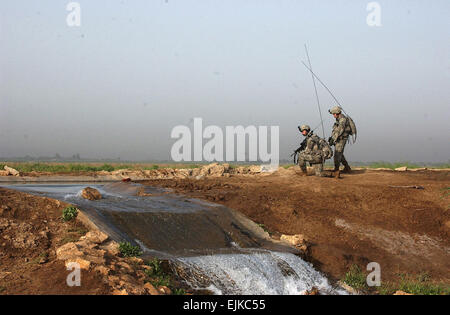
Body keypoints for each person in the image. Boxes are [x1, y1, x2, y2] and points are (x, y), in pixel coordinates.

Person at [328, 106, 352, 174]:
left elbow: (340, 130)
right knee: (340, 154)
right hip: (338, 139)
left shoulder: (342, 120)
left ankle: (336, 170)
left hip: (342, 139)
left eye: (333, 113)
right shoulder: (339, 119)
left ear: (336, 113)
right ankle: (347, 167)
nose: (333, 115)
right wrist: (332, 138)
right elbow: (336, 130)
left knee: (337, 154)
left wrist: (333, 139)